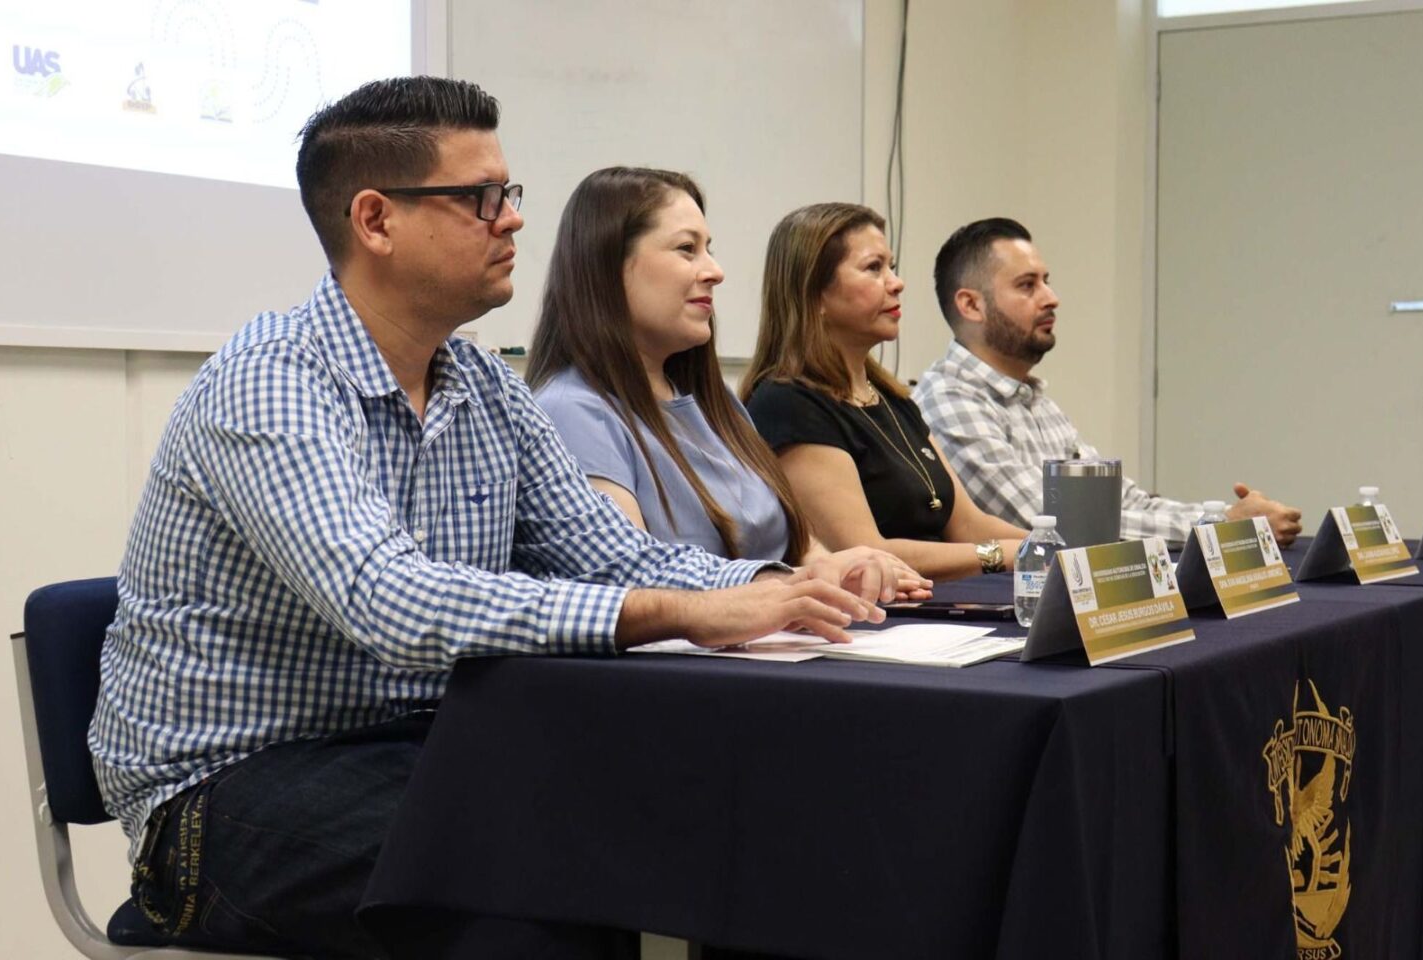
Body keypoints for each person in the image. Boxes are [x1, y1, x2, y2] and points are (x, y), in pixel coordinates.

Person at [87, 78, 895, 960]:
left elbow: (606, 555)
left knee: (723, 821)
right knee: (534, 893)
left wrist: (783, 583)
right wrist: (685, 611)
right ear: (375, 221)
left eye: (508, 195)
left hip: (421, 746)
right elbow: (386, 598)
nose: (512, 220)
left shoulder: (484, 387)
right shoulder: (272, 380)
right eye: (482, 198)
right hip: (225, 790)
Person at [526, 167, 932, 600]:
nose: (715, 271)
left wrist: (837, 568)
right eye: (687, 249)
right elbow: (633, 580)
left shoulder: (712, 401)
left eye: (709, 250)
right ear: (608, 265)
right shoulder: (572, 411)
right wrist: (796, 583)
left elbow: (796, 543)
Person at [913, 217, 1302, 547]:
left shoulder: (1033, 400)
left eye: (1046, 281)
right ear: (971, 305)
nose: (1051, 298)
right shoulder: (949, 399)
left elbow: (1121, 502)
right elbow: (1053, 522)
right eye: (1027, 285)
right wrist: (1221, 529)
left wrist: (1224, 517)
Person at [741, 202, 1026, 581]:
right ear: (815, 294)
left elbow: (968, 524)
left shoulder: (892, 400)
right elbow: (863, 551)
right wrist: (997, 555)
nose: (896, 282)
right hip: (879, 620)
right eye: (874, 268)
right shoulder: (788, 403)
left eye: (891, 267)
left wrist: (1056, 550)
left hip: (940, 607)